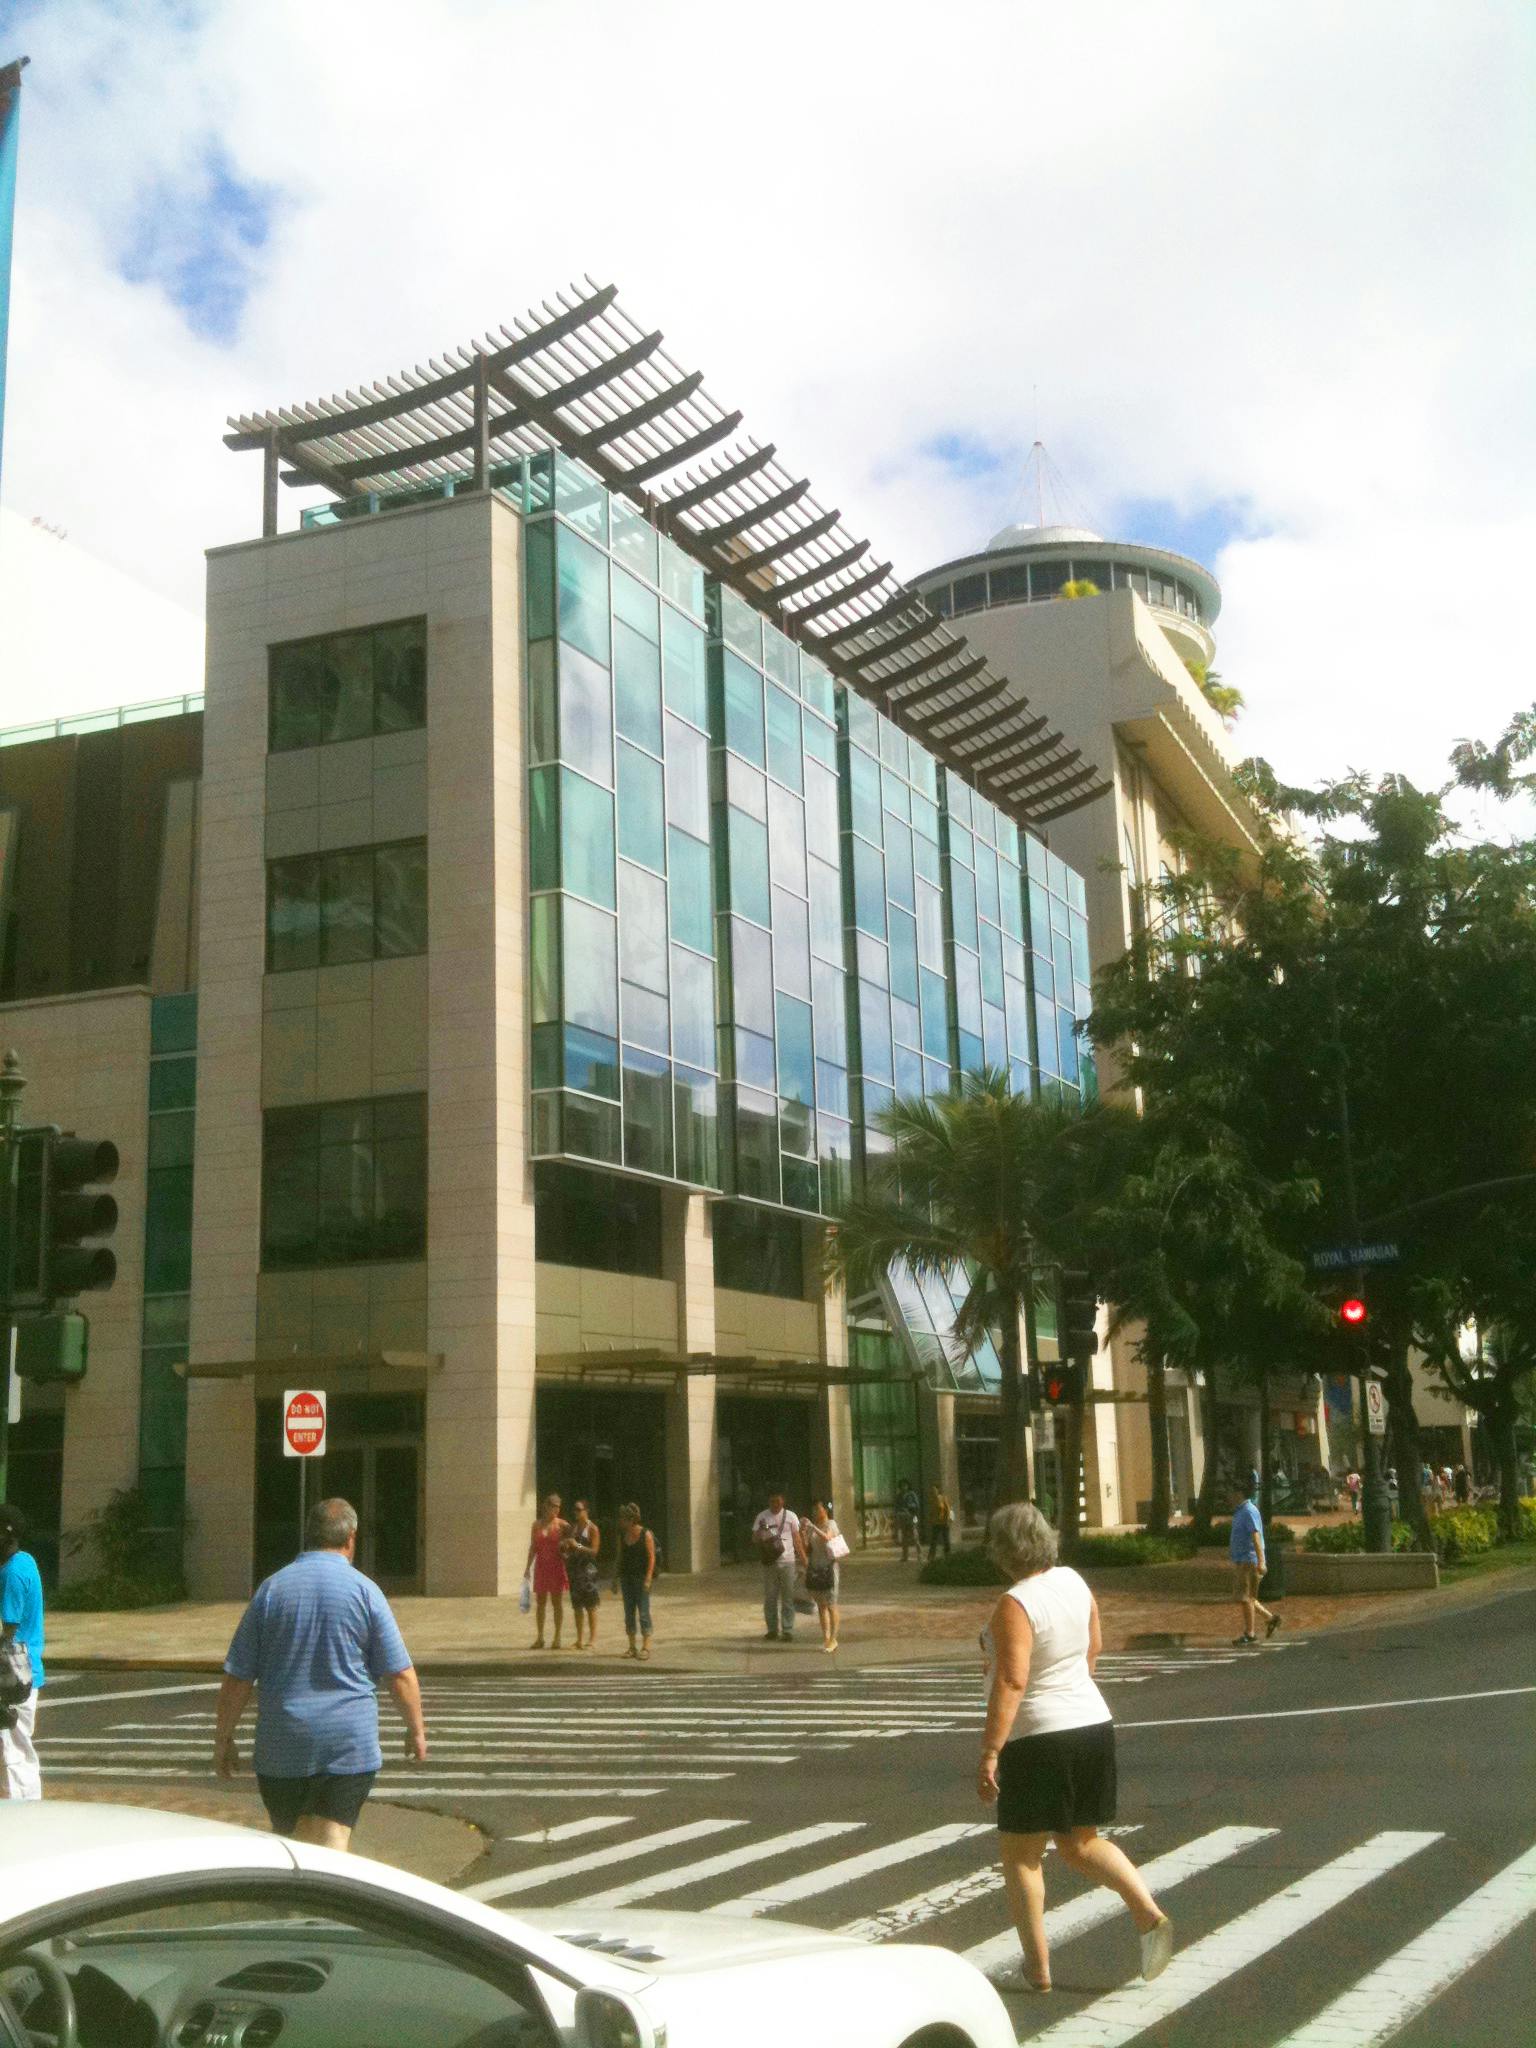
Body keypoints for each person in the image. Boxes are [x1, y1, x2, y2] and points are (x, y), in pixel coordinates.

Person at [977, 1501, 1172, 1994]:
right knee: (1080, 1842)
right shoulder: (1074, 1583)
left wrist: (991, 1751)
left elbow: (1013, 1680)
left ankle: (1037, 1968)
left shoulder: (1015, 1603)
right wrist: (1072, 1692)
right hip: (1092, 1722)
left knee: (1022, 1856)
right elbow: (1094, 1650)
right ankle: (1147, 1913)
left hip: (1039, 1735)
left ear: (1005, 1551)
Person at [215, 1497, 427, 1849]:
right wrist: (415, 1729)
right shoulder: (366, 1592)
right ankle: (327, 1897)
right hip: (347, 1745)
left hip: (283, 1748)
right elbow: (400, 1673)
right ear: (351, 1539)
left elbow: (238, 1676)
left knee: (292, 1842)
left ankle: (297, 1901)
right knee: (333, 1836)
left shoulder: (271, 1591)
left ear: (309, 1536)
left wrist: (223, 1738)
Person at [0, 1503, 45, 1802]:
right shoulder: (25, 1561)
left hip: (13, 1678)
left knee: (13, 1753)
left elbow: (8, 1632)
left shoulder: (12, 1574)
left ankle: (25, 1814)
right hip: (26, 1672)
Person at [1230, 1478, 1280, 1645]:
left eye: (1232, 1493)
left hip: (1248, 1560)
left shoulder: (1249, 1511)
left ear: (1238, 1493)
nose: (1229, 1496)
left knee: (1245, 1598)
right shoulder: (1240, 1511)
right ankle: (1270, 1618)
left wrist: (1261, 1561)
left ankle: (1250, 1633)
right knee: (1246, 1596)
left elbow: (1256, 1536)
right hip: (1241, 1559)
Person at [753, 1487, 801, 1640]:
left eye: (778, 1501)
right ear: (769, 1501)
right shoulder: (762, 1517)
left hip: (788, 1561)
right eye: (772, 1501)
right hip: (770, 1561)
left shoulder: (791, 1516)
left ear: (783, 1501)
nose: (775, 1504)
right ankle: (772, 1629)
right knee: (770, 1597)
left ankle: (788, 1630)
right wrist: (761, 1533)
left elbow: (797, 1538)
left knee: (788, 1597)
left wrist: (803, 1558)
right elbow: (754, 1539)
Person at [525, 1493, 571, 1650]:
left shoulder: (562, 1525)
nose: (556, 1510)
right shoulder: (536, 1525)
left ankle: (557, 1636)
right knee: (540, 1603)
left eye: (558, 1507)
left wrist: (568, 1549)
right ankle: (540, 1637)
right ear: (547, 1506)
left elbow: (571, 1545)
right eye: (554, 1506)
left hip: (556, 1566)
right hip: (541, 1567)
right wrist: (527, 1568)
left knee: (557, 1602)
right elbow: (533, 1547)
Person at [614, 1502, 656, 1660]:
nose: (621, 1521)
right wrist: (614, 1578)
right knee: (629, 1613)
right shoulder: (622, 1536)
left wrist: (648, 1577)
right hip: (626, 1578)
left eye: (623, 1518)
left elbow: (652, 1557)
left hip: (641, 1578)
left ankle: (646, 1647)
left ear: (631, 1520)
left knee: (643, 1612)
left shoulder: (646, 1534)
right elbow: (619, 1557)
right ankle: (632, 1647)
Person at [801, 1499, 844, 1653]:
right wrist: (805, 1533)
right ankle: (825, 1638)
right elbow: (807, 1548)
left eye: (818, 1509)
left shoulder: (831, 1524)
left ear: (825, 1510)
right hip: (816, 1567)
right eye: (814, 1510)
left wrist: (813, 1527)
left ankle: (834, 1638)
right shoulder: (814, 1527)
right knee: (821, 1605)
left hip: (829, 1568)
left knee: (831, 1603)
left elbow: (828, 1537)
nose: (815, 1513)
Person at [564, 1500, 602, 1650]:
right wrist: (566, 1548)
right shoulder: (573, 1529)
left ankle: (592, 1639)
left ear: (586, 1511)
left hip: (588, 1570)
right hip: (575, 1569)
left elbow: (594, 1551)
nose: (576, 1512)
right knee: (577, 1606)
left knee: (591, 1605)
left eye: (579, 1510)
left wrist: (577, 1546)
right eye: (575, 1510)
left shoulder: (592, 1529)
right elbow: (570, 1548)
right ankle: (579, 1639)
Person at [895, 1477, 921, 1563]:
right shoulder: (899, 1496)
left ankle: (919, 1554)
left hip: (913, 1516)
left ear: (908, 1486)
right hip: (903, 1517)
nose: (903, 1487)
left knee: (915, 1535)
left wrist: (909, 1507)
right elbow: (897, 1507)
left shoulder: (912, 1494)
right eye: (902, 1486)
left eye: (905, 1485)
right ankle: (905, 1556)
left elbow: (917, 1505)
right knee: (904, 1537)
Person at [927, 1483, 954, 1562]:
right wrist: (930, 1519)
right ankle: (931, 1556)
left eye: (934, 1490)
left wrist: (949, 1519)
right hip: (936, 1523)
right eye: (932, 1490)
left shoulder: (943, 1498)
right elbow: (931, 1512)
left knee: (946, 1540)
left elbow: (948, 1509)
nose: (933, 1491)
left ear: (938, 1490)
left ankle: (948, 1555)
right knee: (934, 1540)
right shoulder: (932, 1500)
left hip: (944, 1522)